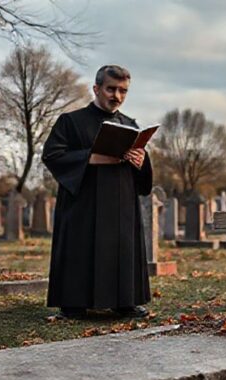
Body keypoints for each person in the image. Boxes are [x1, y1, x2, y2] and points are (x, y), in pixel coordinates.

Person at [42, 65, 152, 319]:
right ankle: (73, 304)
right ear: (96, 88)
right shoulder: (70, 121)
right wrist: (94, 158)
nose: (117, 96)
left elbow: (142, 172)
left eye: (123, 91)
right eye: (111, 89)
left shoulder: (129, 124)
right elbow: (53, 155)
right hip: (84, 202)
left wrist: (141, 160)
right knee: (81, 247)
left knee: (122, 248)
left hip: (122, 200)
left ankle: (124, 302)